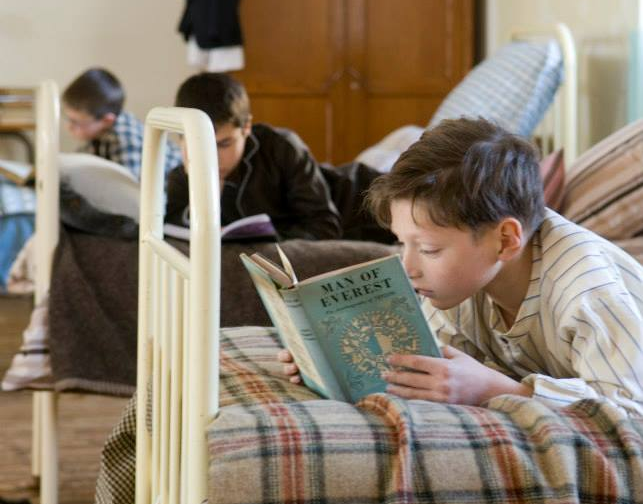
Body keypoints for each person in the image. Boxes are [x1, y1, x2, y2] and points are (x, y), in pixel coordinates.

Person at [282, 117, 643, 417]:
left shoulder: (589, 290)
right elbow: (434, 363)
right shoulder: (458, 285)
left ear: (505, 240)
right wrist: (332, 362)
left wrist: (501, 390)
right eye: (402, 242)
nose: (408, 267)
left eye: (429, 249)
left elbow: (630, 411)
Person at [165, 72, 342, 240]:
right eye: (199, 146)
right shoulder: (179, 178)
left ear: (246, 127)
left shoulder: (282, 148)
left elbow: (326, 226)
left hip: (350, 198)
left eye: (224, 144)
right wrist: (203, 193)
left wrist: (266, 242)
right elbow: (172, 231)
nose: (212, 159)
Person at [62, 67, 181, 181]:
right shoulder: (98, 134)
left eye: (76, 122)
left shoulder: (127, 141)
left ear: (106, 120)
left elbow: (130, 191)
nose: (69, 126)